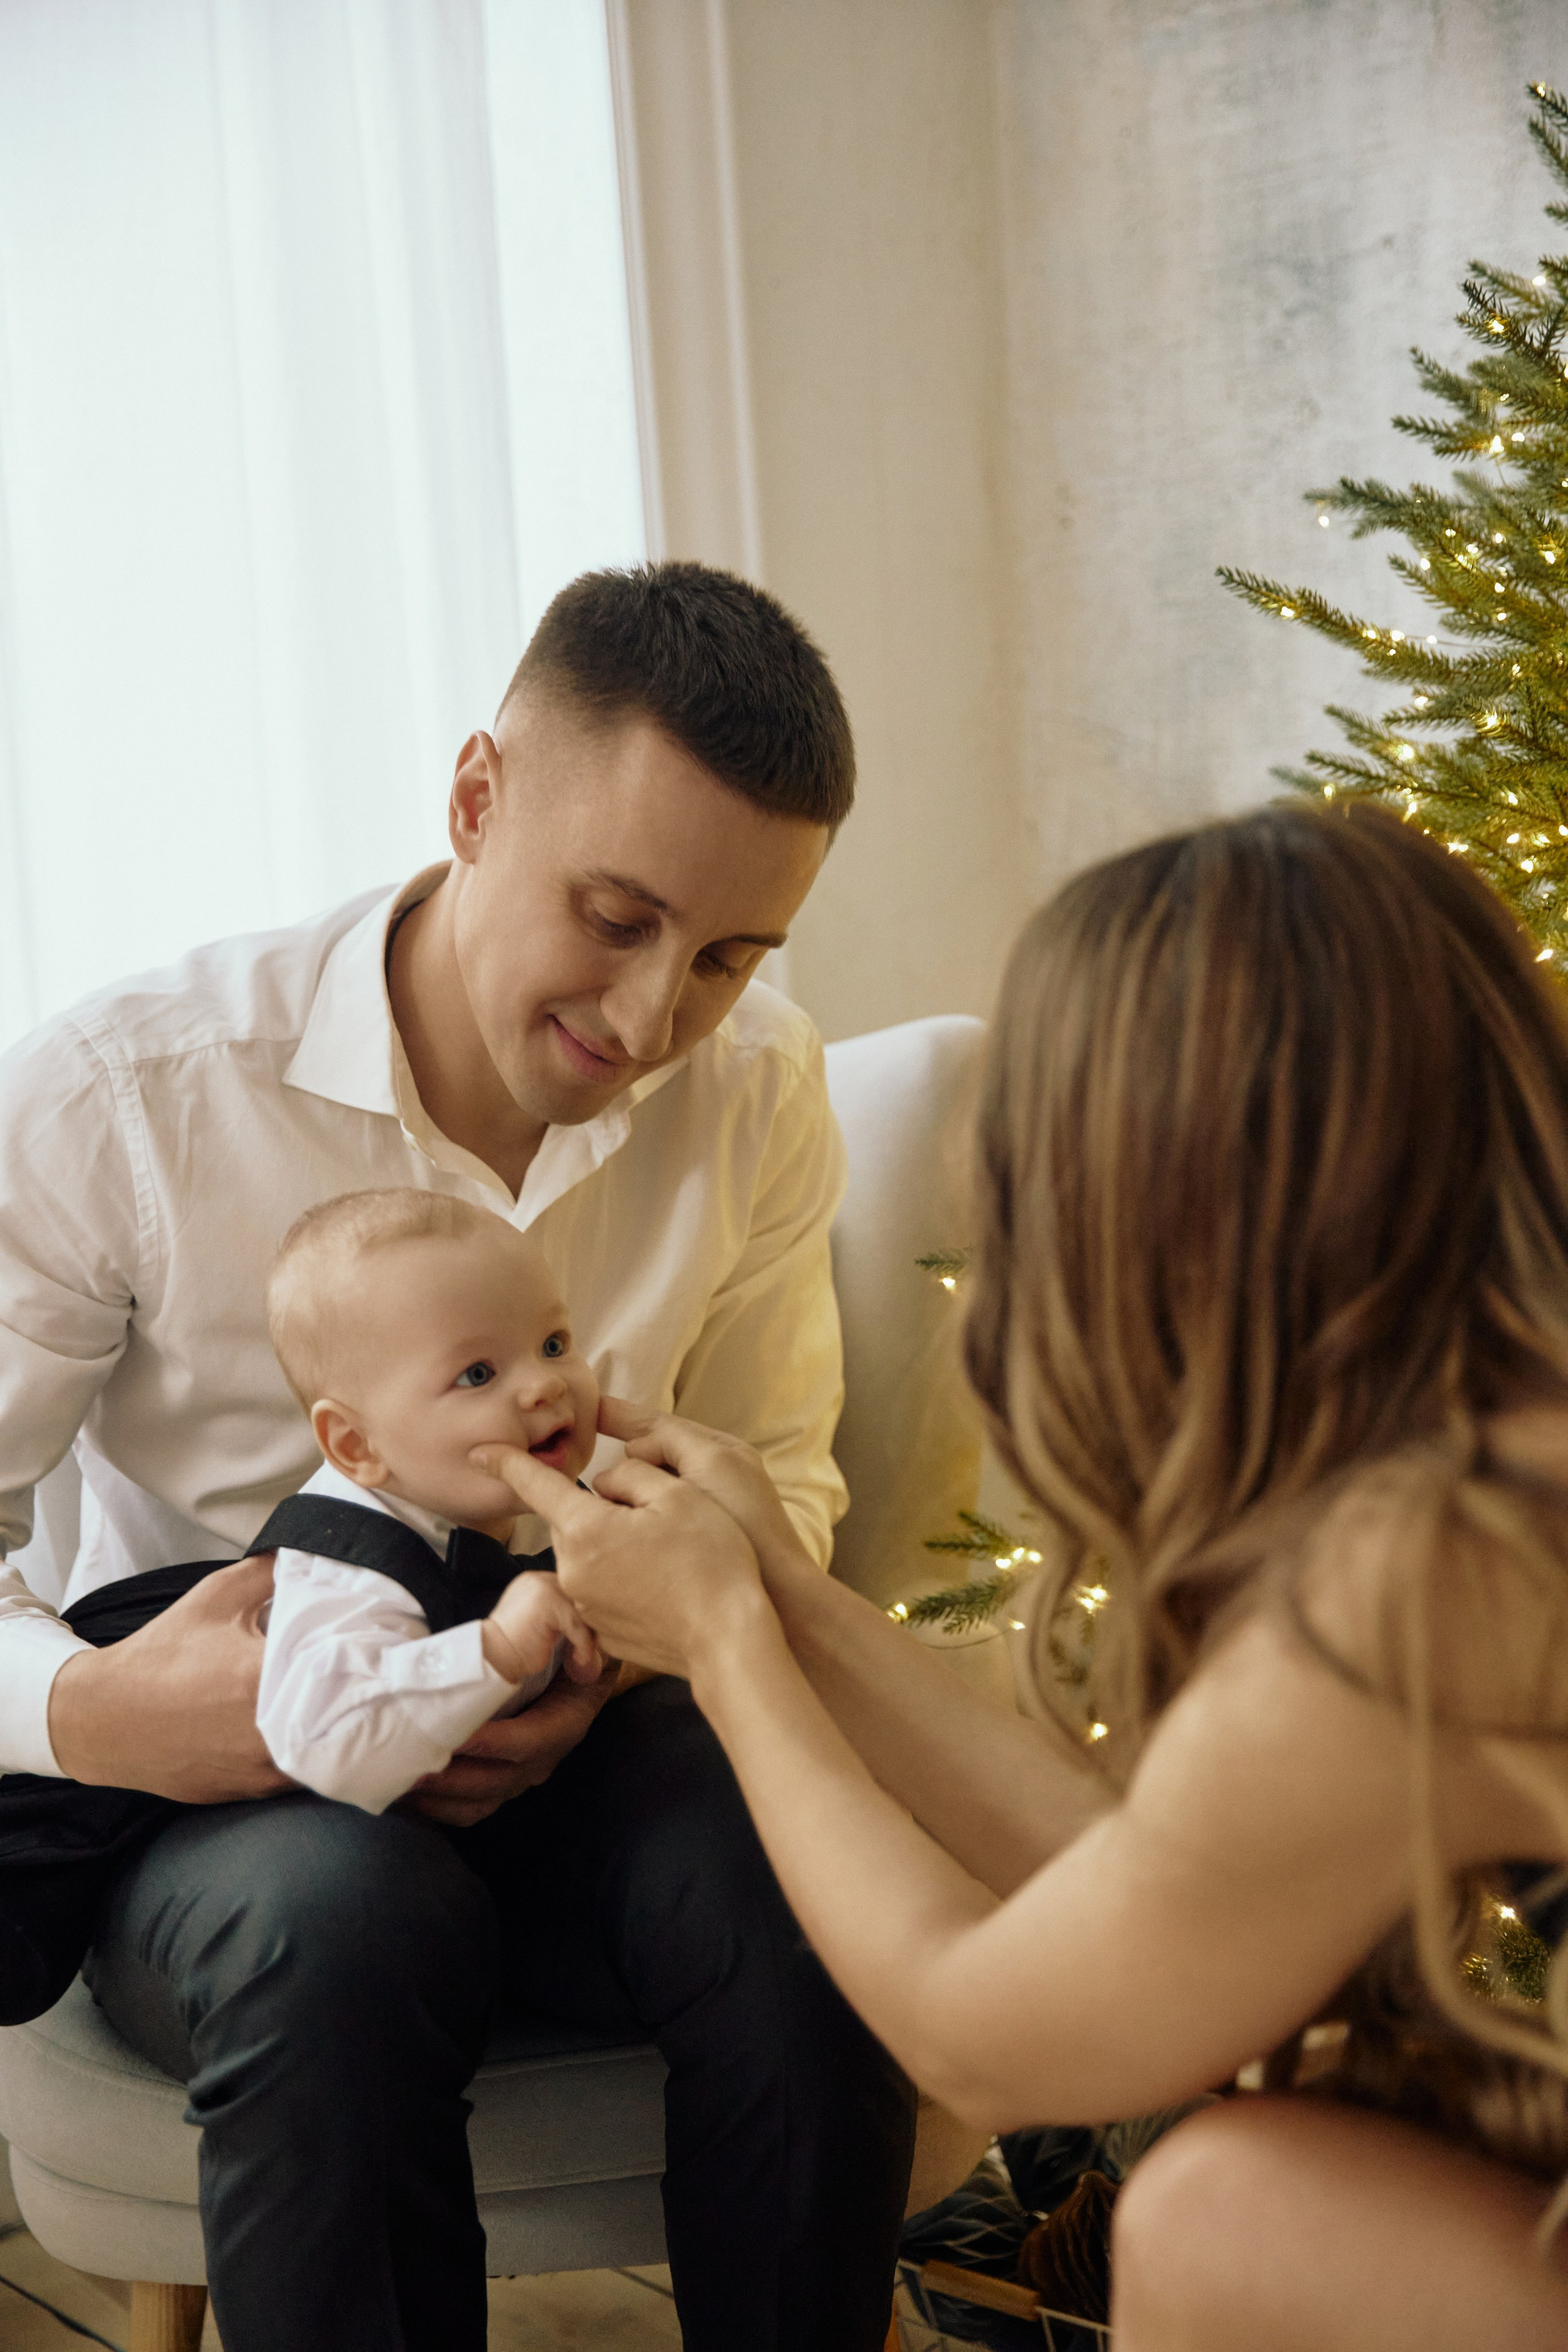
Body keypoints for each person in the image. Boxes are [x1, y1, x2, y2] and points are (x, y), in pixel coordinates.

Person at [488, 800, 1568, 2352]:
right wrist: (782, 1595)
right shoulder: (1495, 1454)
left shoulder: (1418, 1578)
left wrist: (727, 1650)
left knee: (1219, 2213)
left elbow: (979, 2039)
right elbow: (1163, 1888)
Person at [0, 562, 914, 2351]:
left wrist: (632, 1633)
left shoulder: (759, 1093)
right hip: (229, 1812)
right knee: (340, 1919)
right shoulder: (129, 1091)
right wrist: (98, 1719)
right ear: (479, 799)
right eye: (620, 918)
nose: (657, 1021)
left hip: (596, 1742)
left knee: (800, 1868)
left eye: (730, 957)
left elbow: (787, 1486)